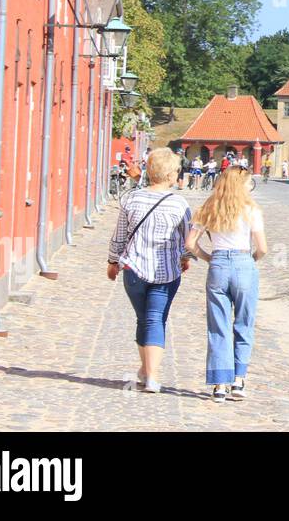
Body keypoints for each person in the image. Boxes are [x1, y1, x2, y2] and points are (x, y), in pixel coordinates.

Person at [107, 147, 192, 394]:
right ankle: (153, 376)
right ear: (169, 175)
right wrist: (185, 258)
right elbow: (188, 239)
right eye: (176, 170)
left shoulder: (131, 199)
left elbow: (120, 236)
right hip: (166, 271)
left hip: (133, 269)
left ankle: (145, 370)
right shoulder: (179, 204)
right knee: (155, 319)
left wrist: (113, 262)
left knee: (144, 318)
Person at [187, 167, 268, 403]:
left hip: (219, 265)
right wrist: (251, 261)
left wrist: (210, 258)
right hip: (244, 262)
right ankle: (239, 380)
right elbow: (262, 248)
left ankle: (220, 385)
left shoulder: (209, 208)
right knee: (244, 323)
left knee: (218, 326)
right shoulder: (251, 210)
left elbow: (190, 243)